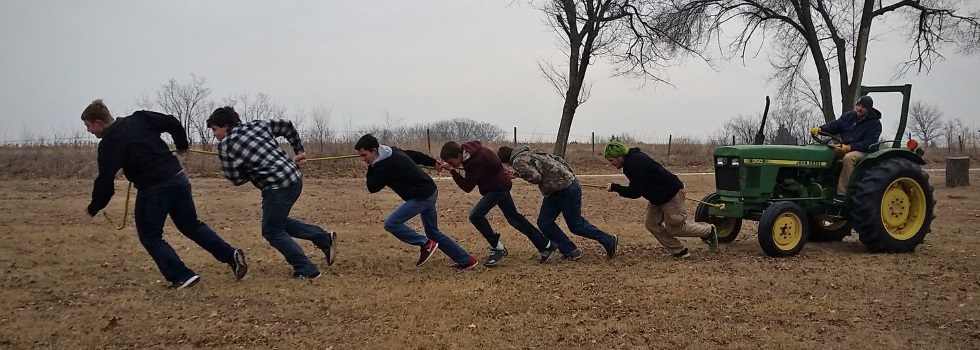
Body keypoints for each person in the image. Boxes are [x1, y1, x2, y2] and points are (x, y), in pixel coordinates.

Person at [81, 99, 247, 289]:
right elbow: (171, 122)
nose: (89, 131)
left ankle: (182, 275)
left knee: (150, 236)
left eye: (88, 126)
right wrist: (182, 144)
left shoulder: (108, 145)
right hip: (178, 178)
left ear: (98, 123)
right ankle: (230, 255)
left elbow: (104, 182)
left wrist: (94, 207)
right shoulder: (139, 119)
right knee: (190, 225)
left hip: (153, 189)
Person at [208, 106, 336, 279]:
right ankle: (323, 238)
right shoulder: (257, 125)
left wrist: (248, 169)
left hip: (277, 187)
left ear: (225, 126)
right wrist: (299, 151)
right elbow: (287, 126)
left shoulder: (225, 146)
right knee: (277, 222)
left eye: (215, 129)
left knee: (271, 231)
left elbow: (236, 179)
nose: (215, 134)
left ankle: (307, 269)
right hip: (295, 177)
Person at [355, 134, 479, 269]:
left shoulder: (381, 165)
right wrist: (432, 162)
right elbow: (413, 155)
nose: (363, 159)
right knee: (433, 232)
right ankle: (467, 260)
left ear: (374, 151)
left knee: (391, 223)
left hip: (422, 196)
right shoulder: (392, 151)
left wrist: (371, 166)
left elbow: (372, 187)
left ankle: (425, 244)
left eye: (364, 155)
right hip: (429, 190)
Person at [438, 141, 556, 266]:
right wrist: (453, 167)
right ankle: (546, 245)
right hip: (500, 184)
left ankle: (498, 247)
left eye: (452, 162)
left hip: (497, 188)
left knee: (476, 216)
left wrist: (452, 171)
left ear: (459, 155)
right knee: (514, 218)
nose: (452, 164)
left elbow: (467, 187)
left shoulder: (475, 161)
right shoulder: (473, 153)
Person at [497, 145, 618, 261]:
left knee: (576, 225)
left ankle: (608, 240)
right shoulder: (530, 152)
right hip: (561, 188)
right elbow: (557, 160)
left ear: (506, 161)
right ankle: (570, 251)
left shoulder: (518, 161)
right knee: (545, 222)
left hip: (564, 190)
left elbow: (536, 177)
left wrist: (521, 174)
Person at [602, 141, 718, 259]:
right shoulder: (630, 162)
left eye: (611, 160)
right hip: (657, 197)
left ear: (619, 156)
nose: (610, 163)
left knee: (675, 228)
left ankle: (708, 231)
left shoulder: (635, 163)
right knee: (651, 223)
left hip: (672, 194)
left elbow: (635, 192)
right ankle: (679, 251)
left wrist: (615, 188)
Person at [810, 95, 883, 202]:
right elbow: (835, 126)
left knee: (848, 158)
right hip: (844, 146)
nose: (859, 108)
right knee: (825, 152)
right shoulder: (849, 116)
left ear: (869, 109)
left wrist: (850, 147)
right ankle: (821, 184)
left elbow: (869, 142)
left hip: (863, 151)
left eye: (863, 106)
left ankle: (842, 193)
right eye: (858, 105)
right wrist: (820, 129)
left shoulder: (874, 124)